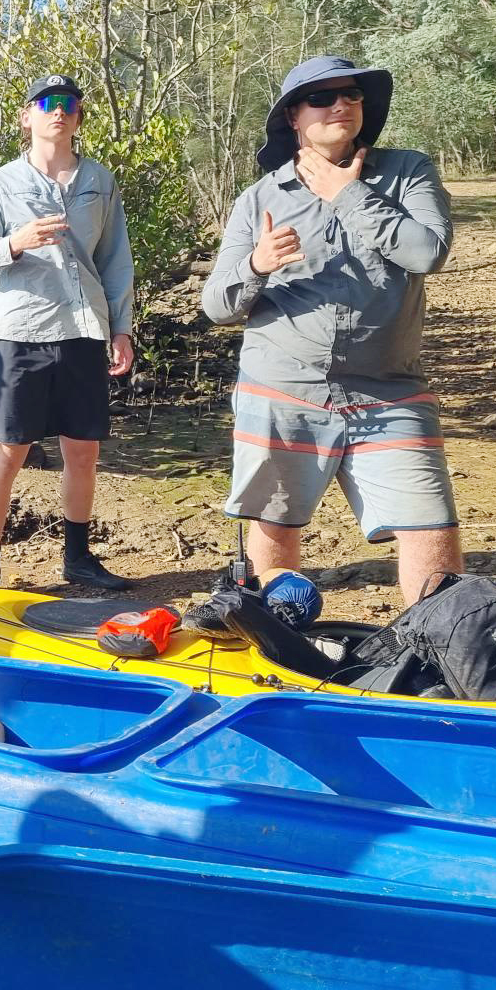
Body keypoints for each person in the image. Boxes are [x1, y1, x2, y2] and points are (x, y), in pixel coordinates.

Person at [202, 54, 461, 604]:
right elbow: (217, 304)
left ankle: (434, 651)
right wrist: (257, 265)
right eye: (322, 98)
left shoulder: (406, 172)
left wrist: (347, 194)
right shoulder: (259, 199)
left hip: (390, 388)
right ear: (294, 116)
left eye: (352, 95)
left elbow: (427, 252)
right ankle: (278, 642)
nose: (341, 104)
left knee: (430, 527)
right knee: (275, 527)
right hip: (281, 389)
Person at [0, 73, 136, 591]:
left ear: (78, 117)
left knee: (83, 450)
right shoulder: (1, 183)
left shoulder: (100, 180)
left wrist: (121, 329)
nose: (60, 111)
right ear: (27, 115)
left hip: (85, 330)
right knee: (7, 450)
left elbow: (115, 260)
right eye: (48, 103)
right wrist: (15, 242)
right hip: (22, 333)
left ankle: (78, 559)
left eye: (70, 104)